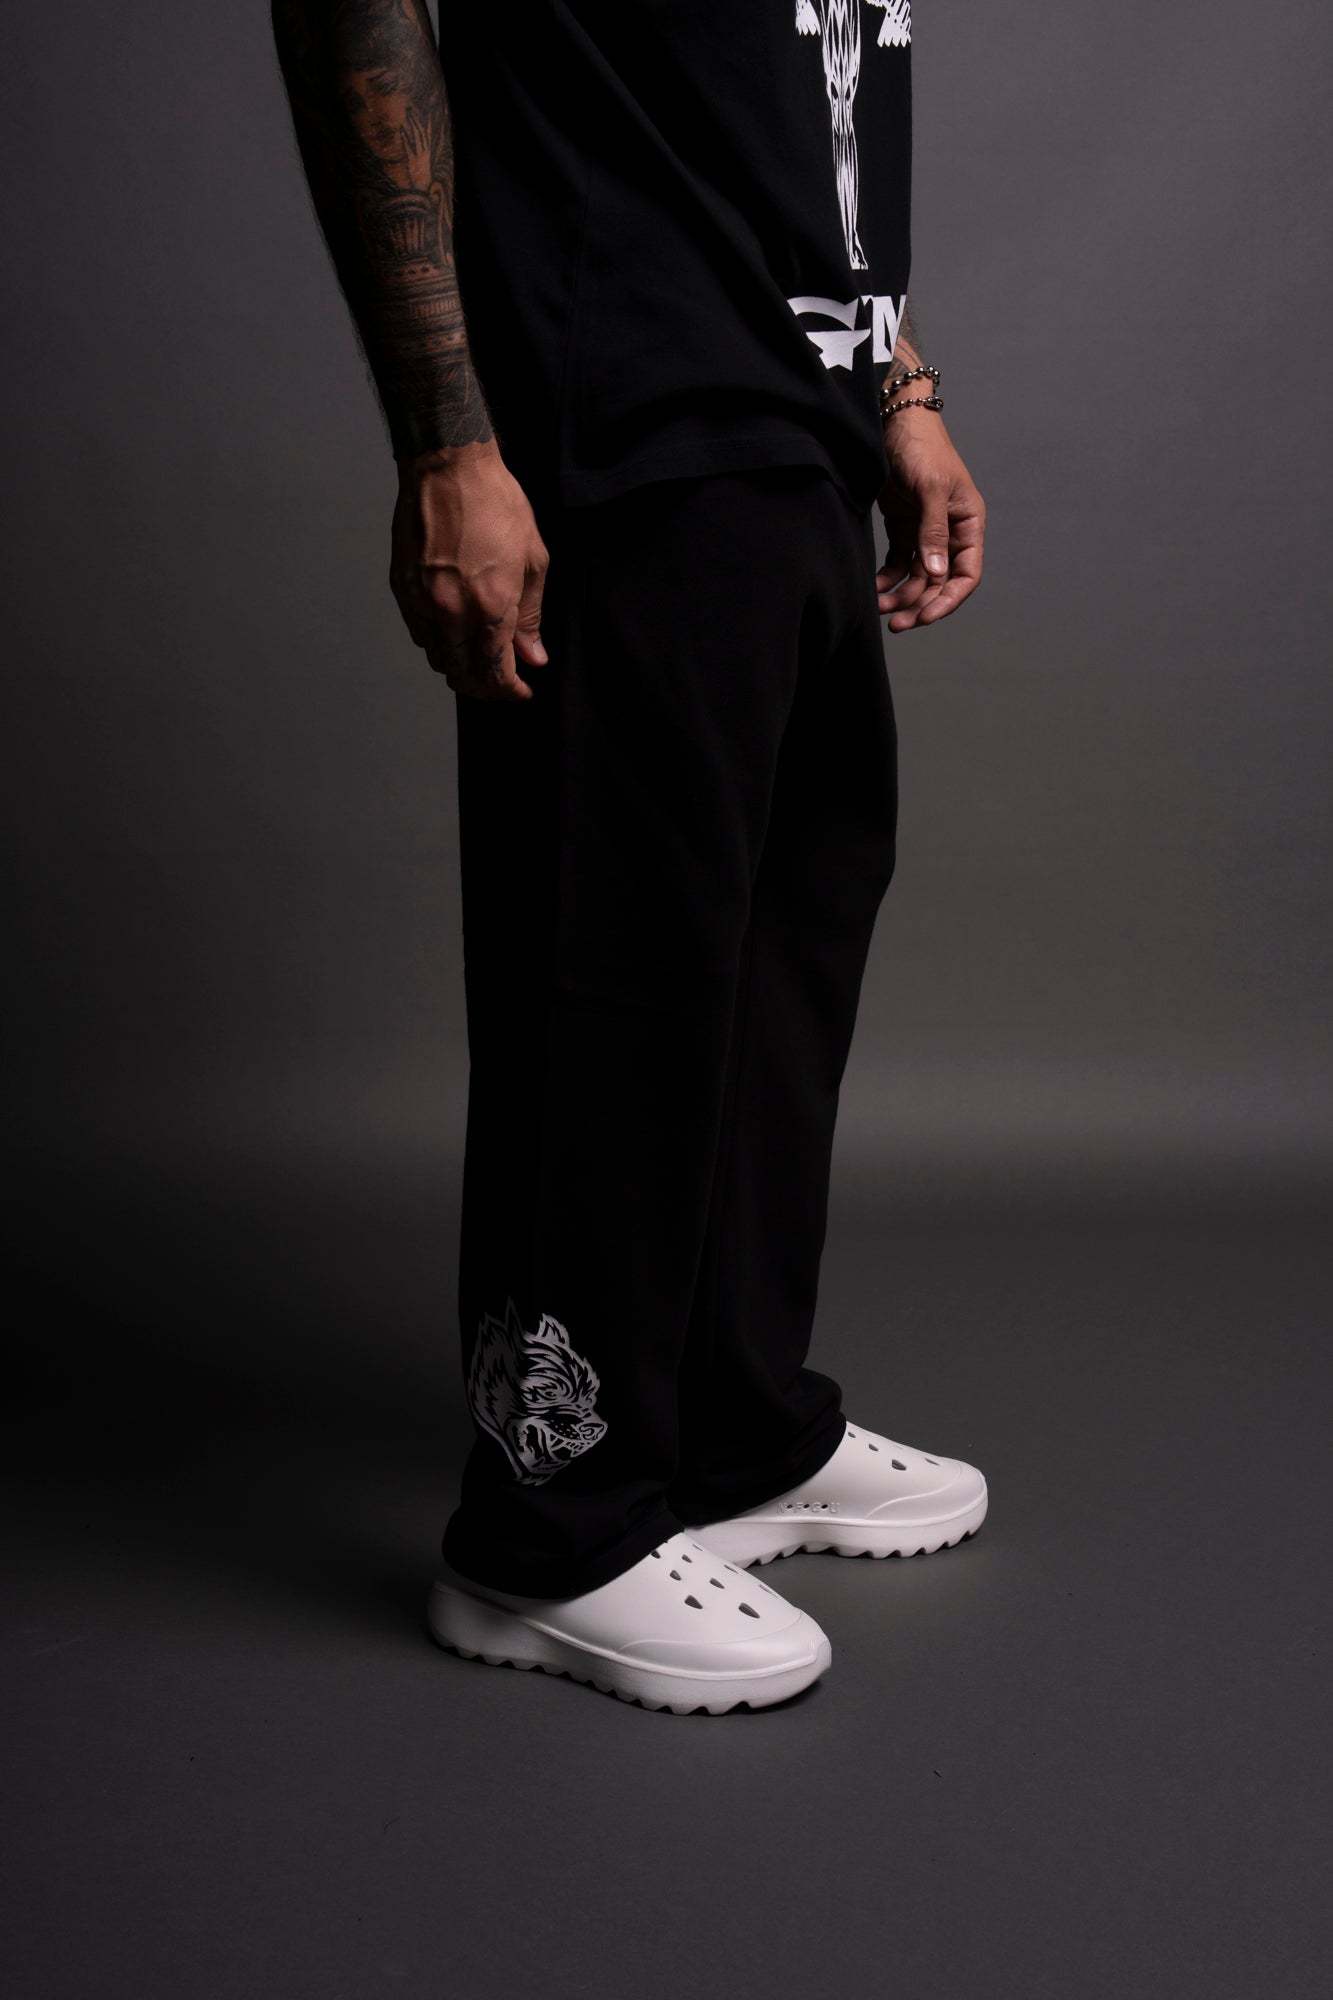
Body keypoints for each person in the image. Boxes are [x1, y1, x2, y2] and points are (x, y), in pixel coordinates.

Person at [271, 0, 988, 1715]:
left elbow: (782, 93)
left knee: (780, 962)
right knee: (614, 972)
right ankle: (550, 1523)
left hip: (796, 426)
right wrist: (450, 442)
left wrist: (896, 380)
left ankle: (730, 1431)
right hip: (616, 415)